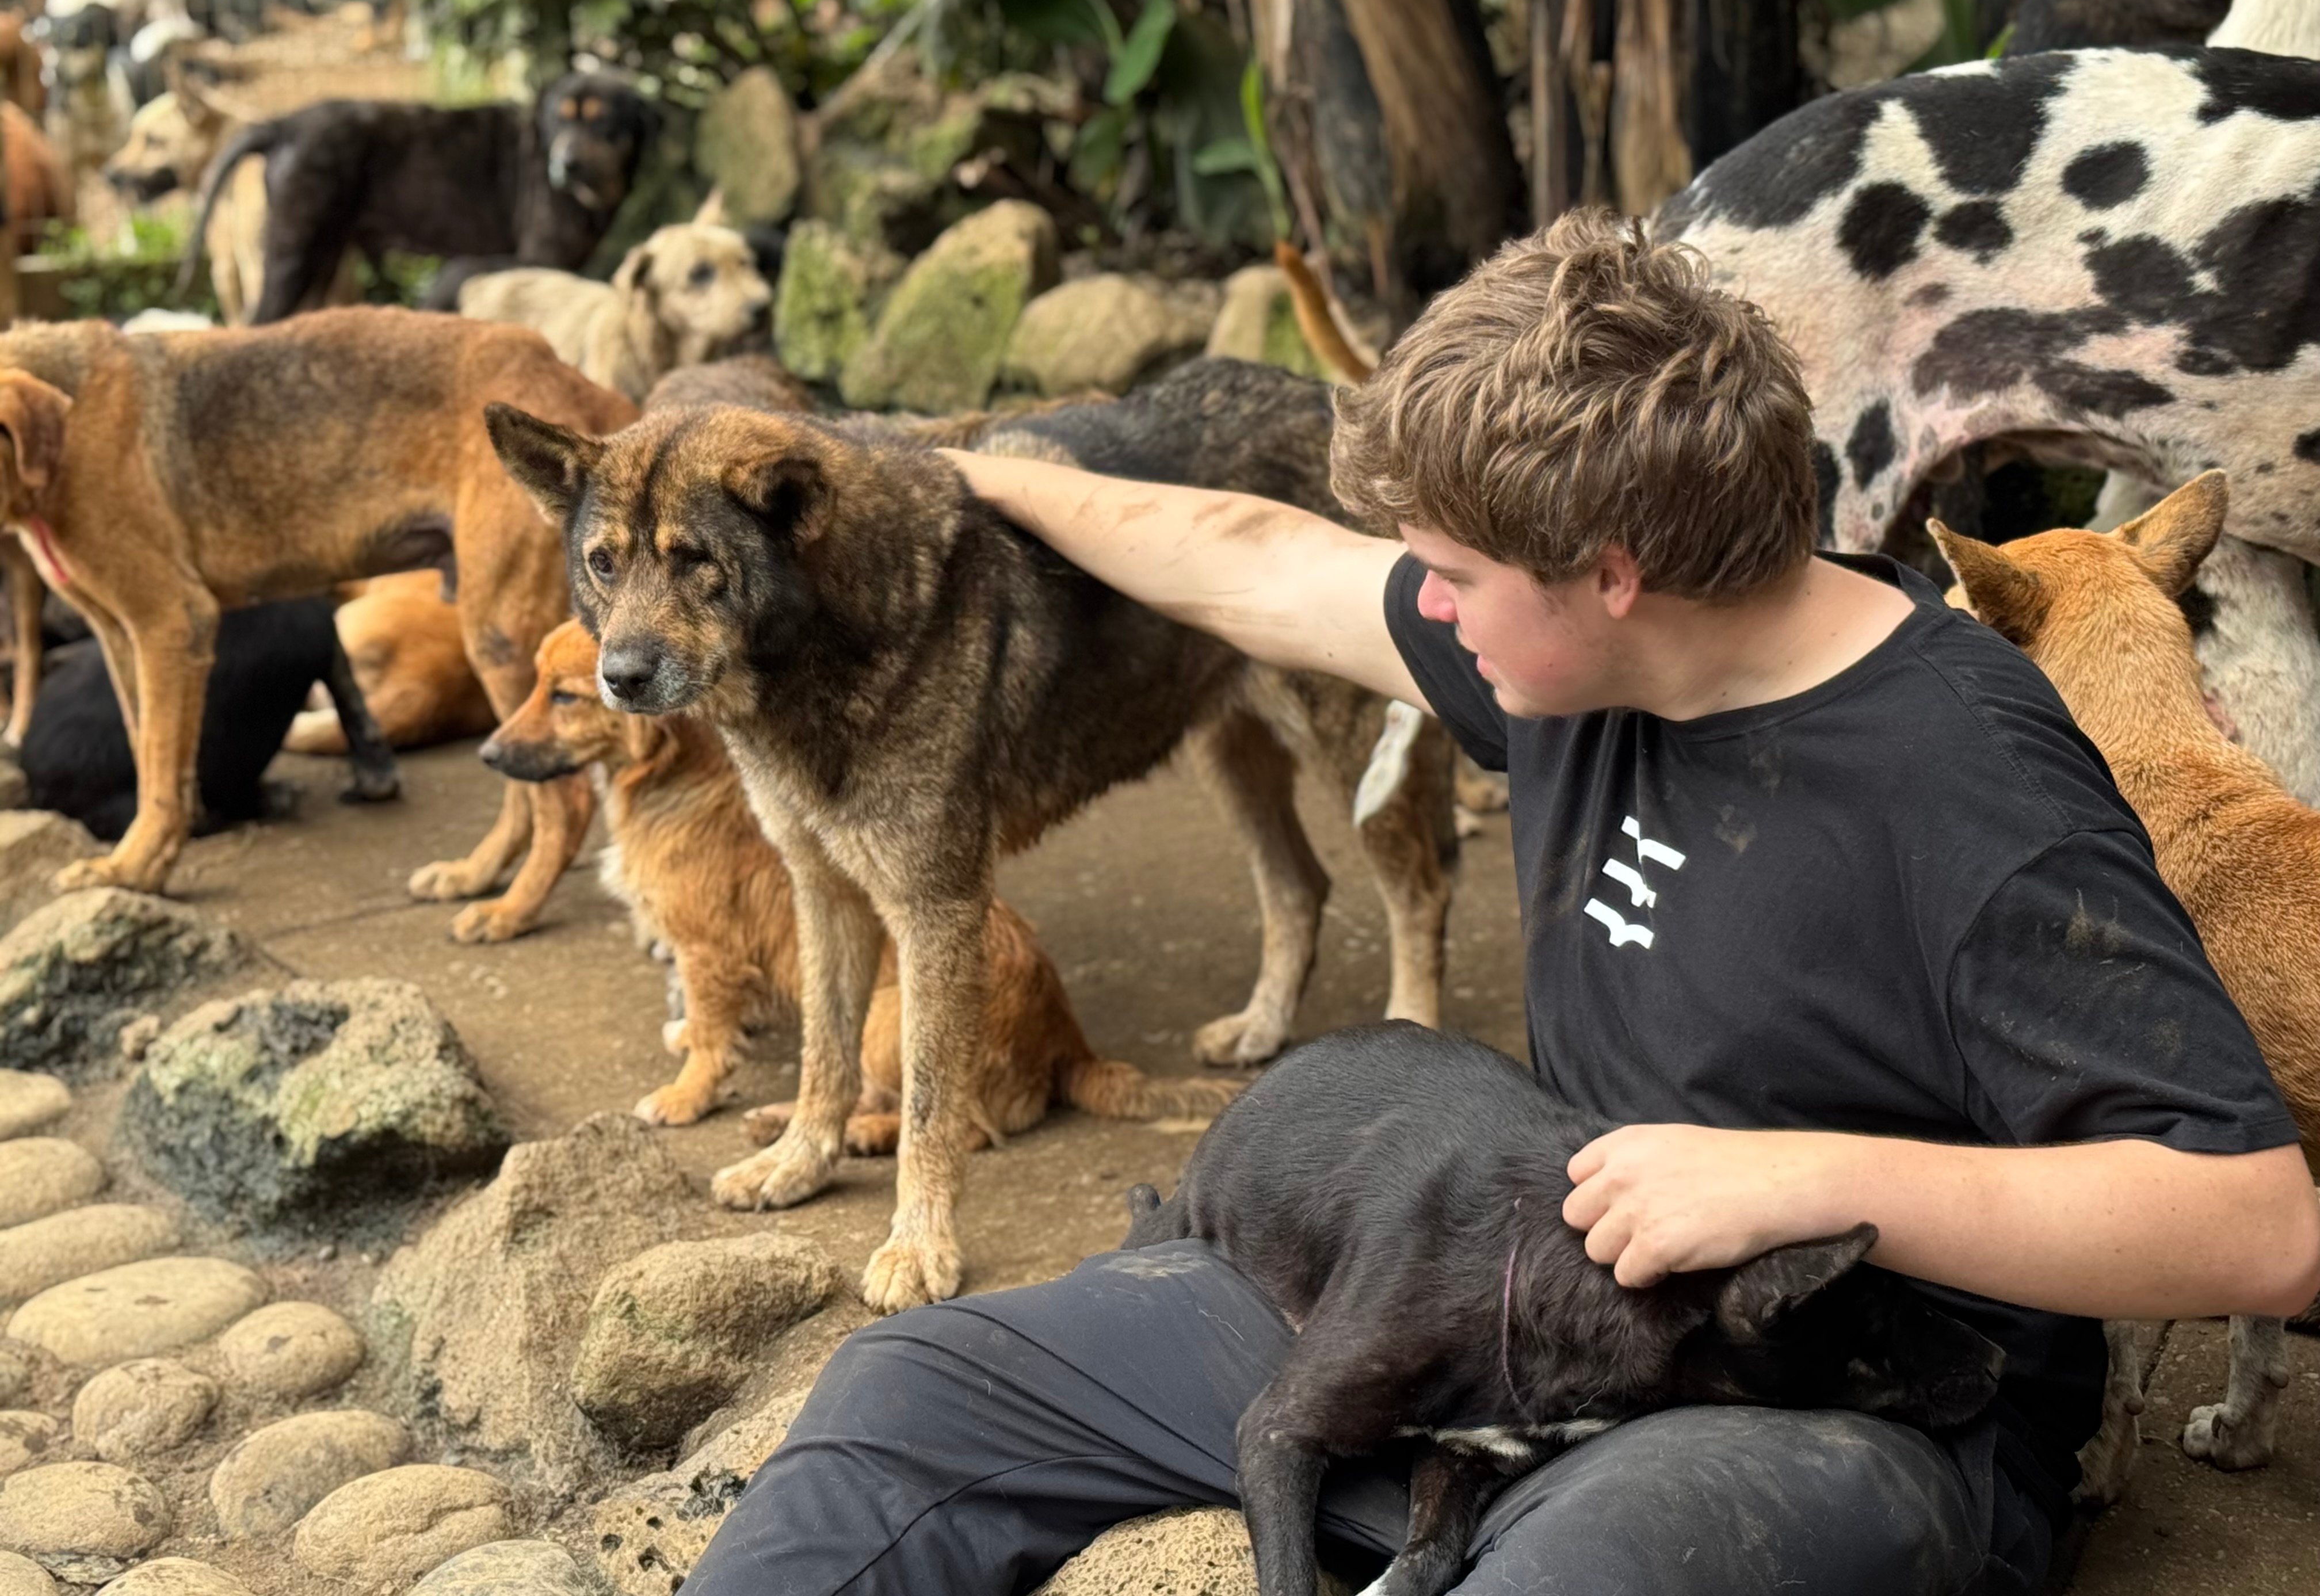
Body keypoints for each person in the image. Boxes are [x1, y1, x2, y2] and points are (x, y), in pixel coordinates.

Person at [682, 212, 2319, 1596]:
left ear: (1609, 568)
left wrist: (1806, 1181)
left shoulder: (1973, 785)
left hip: (1838, 1403)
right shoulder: (1584, 655)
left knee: (1577, 1571)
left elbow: (2255, 1225)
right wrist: (951, 470)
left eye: (1454, 575)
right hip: (1522, 1306)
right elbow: (1250, 556)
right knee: (915, 1390)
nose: (1429, 607)